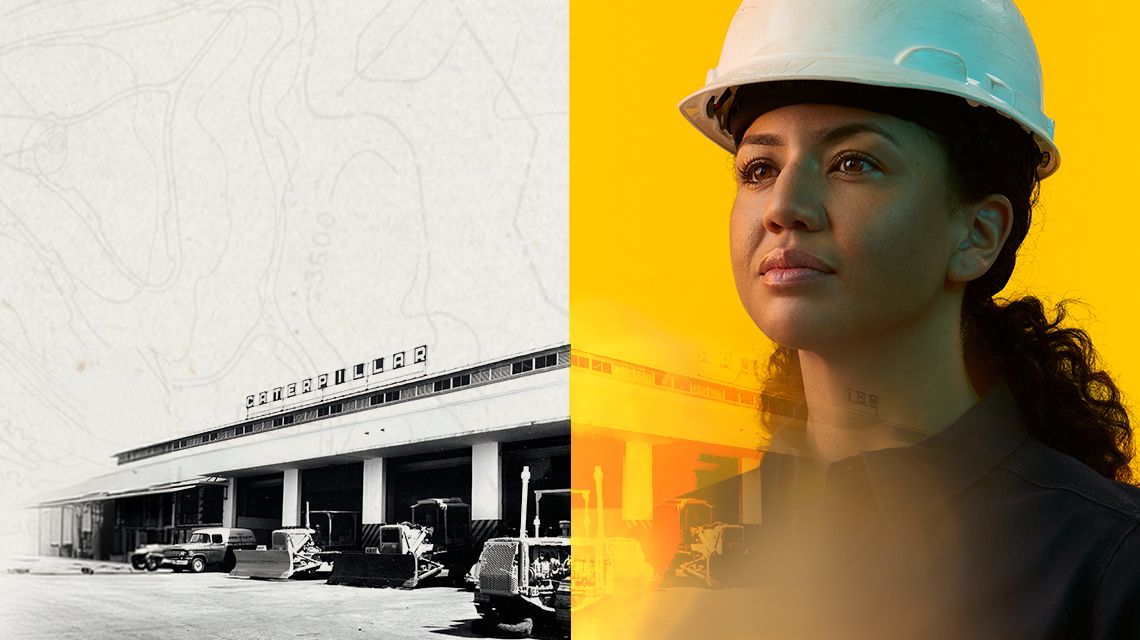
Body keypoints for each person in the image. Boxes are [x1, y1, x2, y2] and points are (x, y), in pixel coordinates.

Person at [674, 0, 1140, 637]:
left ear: (977, 234)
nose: (784, 206)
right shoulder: (711, 536)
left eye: (853, 163)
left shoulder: (1110, 566)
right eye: (759, 168)